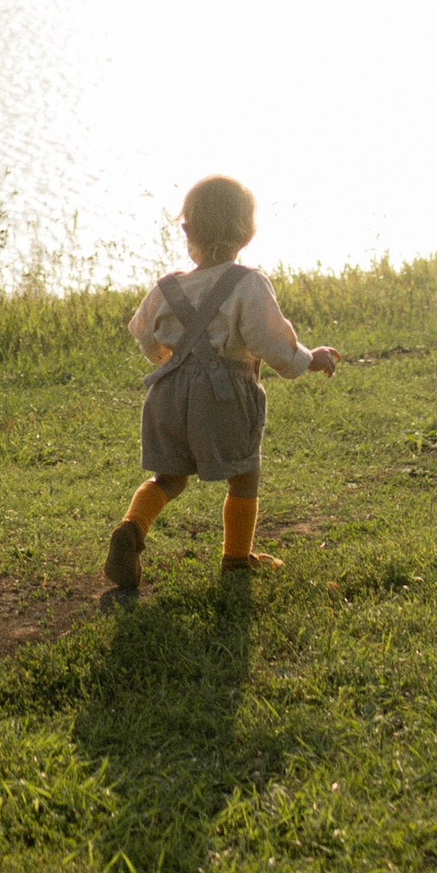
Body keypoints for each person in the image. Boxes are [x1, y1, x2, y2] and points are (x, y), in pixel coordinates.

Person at [102, 174, 338, 599]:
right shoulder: (248, 282)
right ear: (248, 231)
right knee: (244, 473)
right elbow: (270, 341)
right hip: (224, 394)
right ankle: (235, 559)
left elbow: (143, 333)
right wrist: (307, 359)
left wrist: (168, 360)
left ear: (187, 229)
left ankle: (131, 528)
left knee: (168, 477)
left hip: (167, 395)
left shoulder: (166, 287)